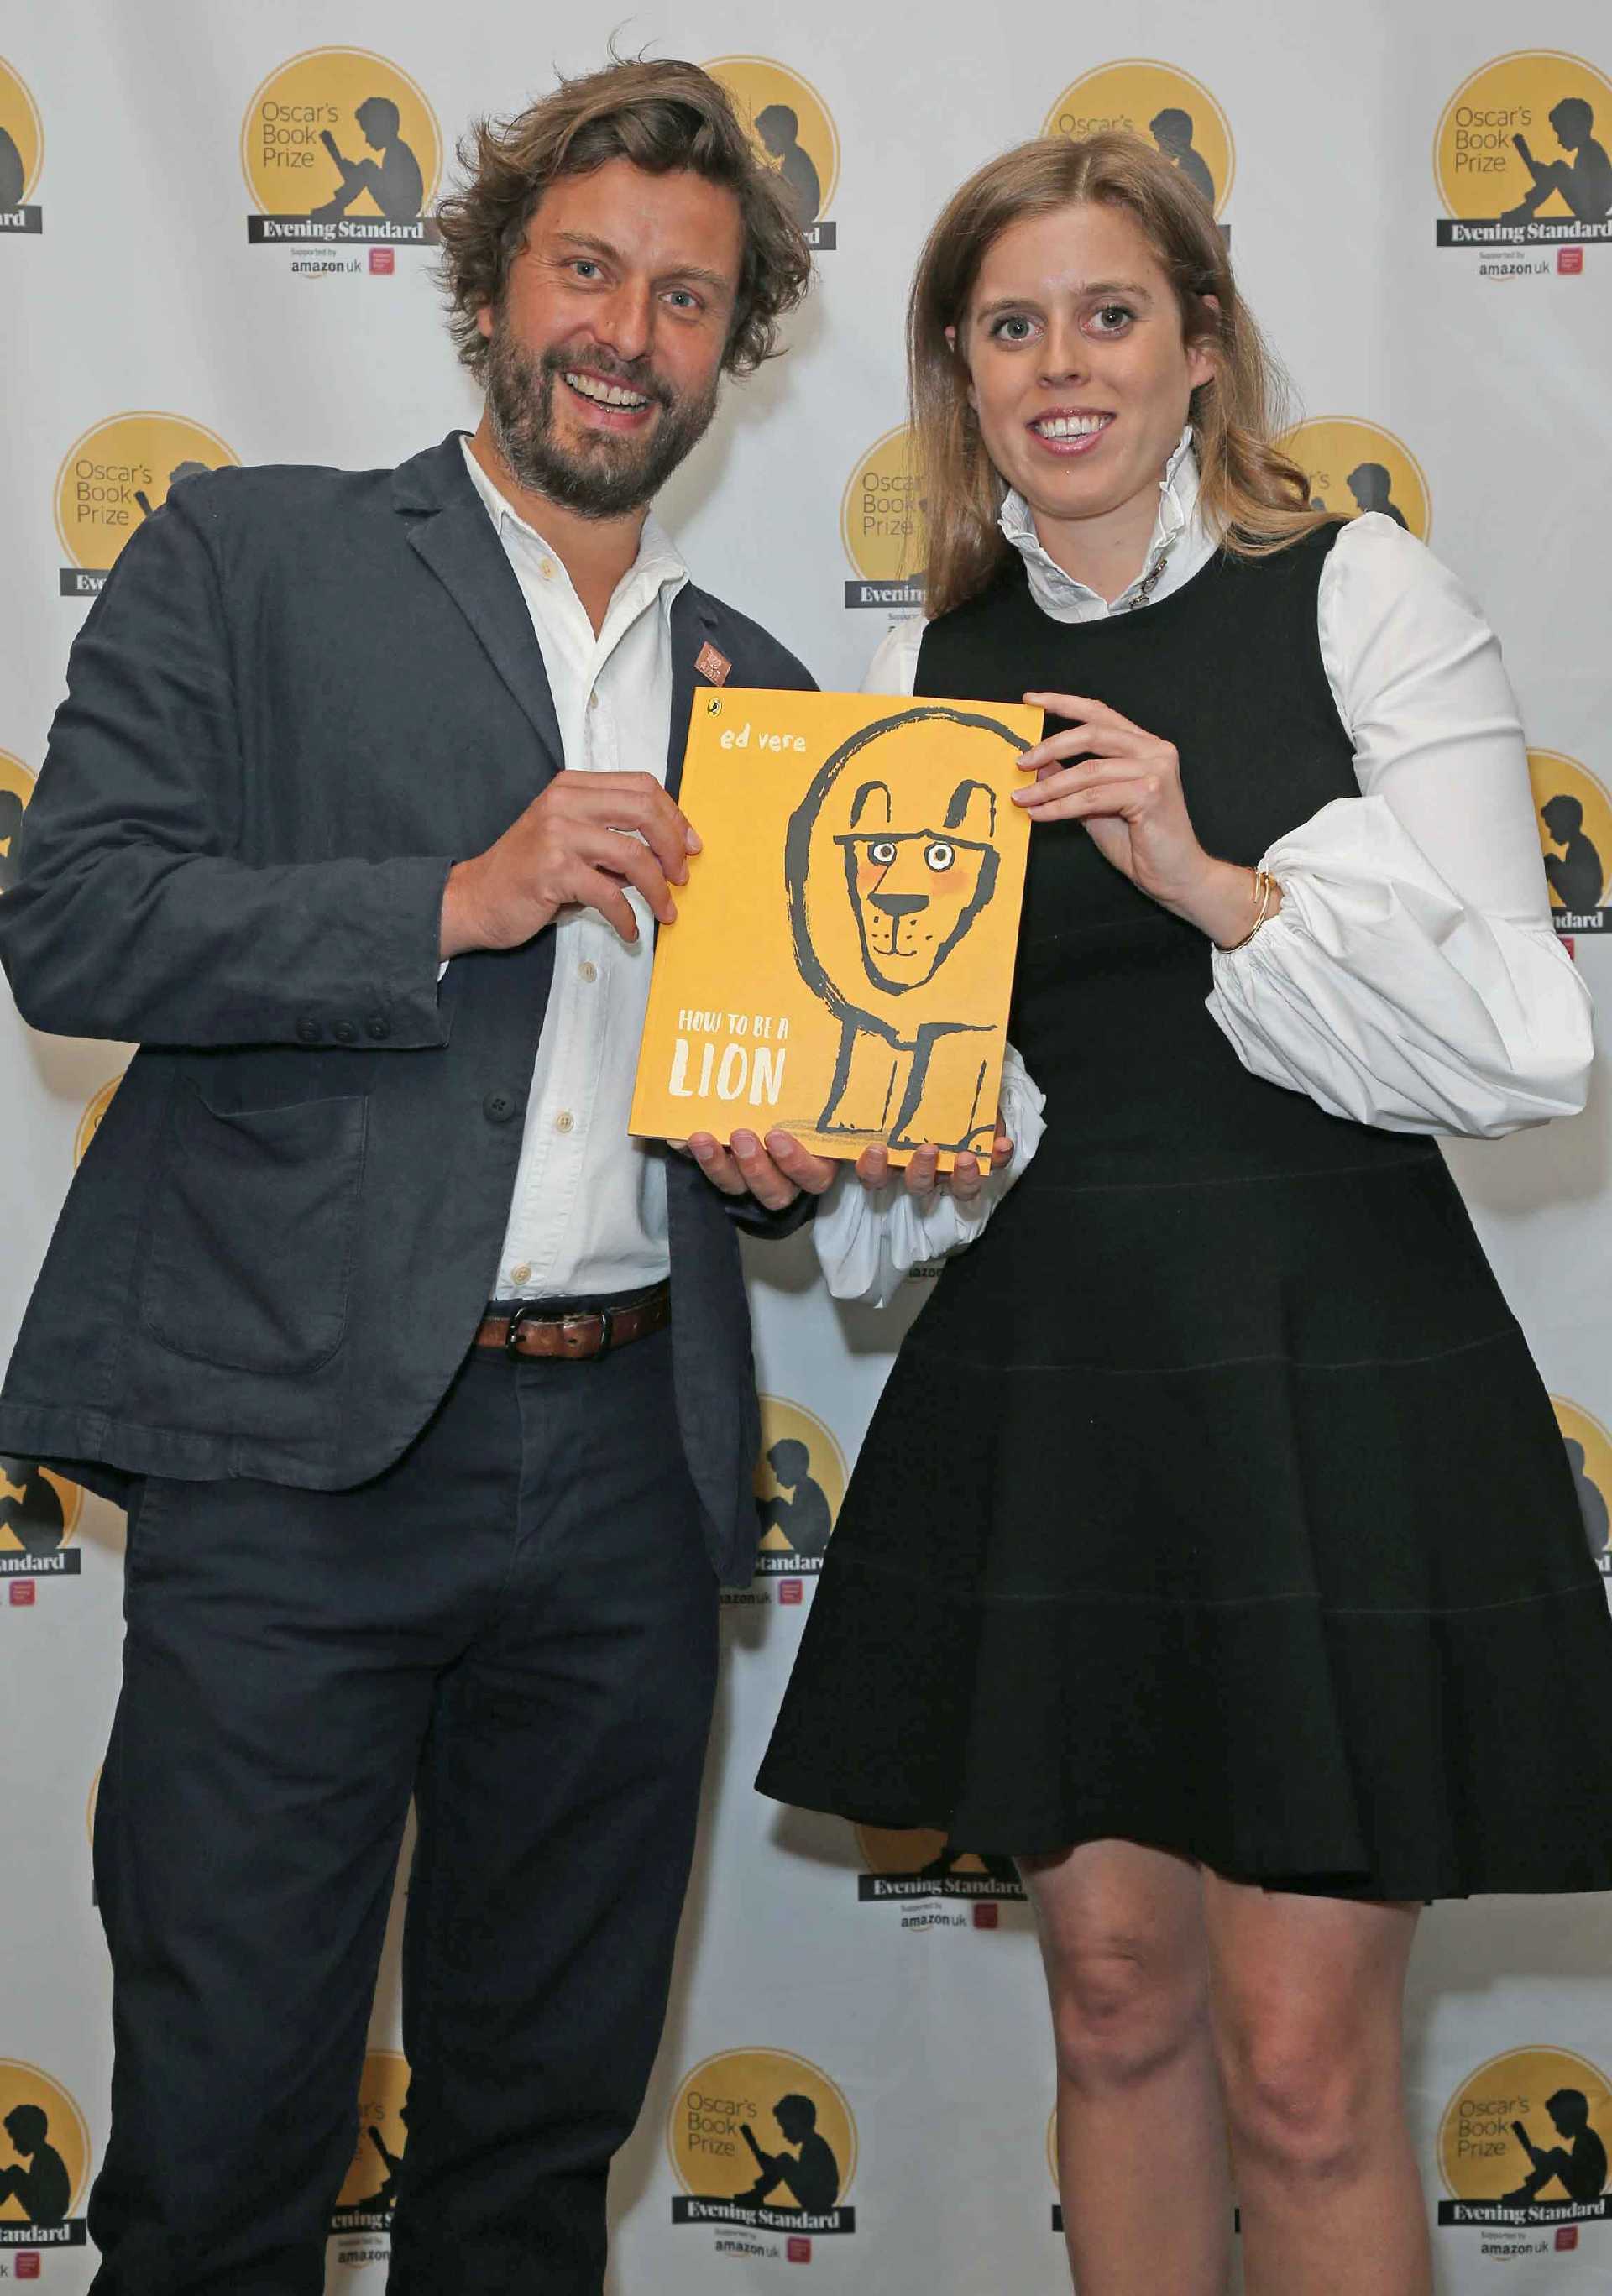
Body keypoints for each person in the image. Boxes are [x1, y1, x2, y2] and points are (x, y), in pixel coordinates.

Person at [0, 54, 883, 2296]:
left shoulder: (767, 695)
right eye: (587, 268)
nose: (627, 331)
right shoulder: (251, 553)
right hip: (292, 1470)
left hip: (624, 1479)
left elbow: (752, 1120)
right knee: (222, 2145)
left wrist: (783, 1158)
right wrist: (453, 897)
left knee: (532, 2159)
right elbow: (69, 919)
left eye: (685, 297)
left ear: (734, 348)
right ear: (490, 285)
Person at [759, 130, 1612, 2296]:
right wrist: (868, 1131)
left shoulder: (1361, 589)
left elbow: (1527, 1041)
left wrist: (1212, 876)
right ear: (960, 375)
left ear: (1202, 345)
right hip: (1060, 1374)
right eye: (1010, 326)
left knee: (1305, 2068)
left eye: (1109, 314)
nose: (1063, 366)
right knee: (1117, 2007)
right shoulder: (934, 665)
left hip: (1330, 1372)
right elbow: (940, 1085)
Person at [311, 93, 426, 222]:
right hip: (402, 207)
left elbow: (390, 189)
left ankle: (336, 207)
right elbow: (386, 183)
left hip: (402, 211)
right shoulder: (396, 150)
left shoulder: (396, 153)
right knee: (366, 169)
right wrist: (356, 176)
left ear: (381, 128)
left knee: (367, 167)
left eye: (368, 132)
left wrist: (358, 177)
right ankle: (337, 206)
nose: (366, 139)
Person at [1501, 97, 1612, 227]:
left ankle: (1525, 210)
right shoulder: (1588, 150)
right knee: (1558, 169)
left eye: (1561, 132)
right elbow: (1576, 182)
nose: (1559, 140)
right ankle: (1526, 209)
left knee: (1559, 168)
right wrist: (1548, 177)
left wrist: (1549, 177)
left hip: (1592, 212)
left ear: (1576, 128)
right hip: (1591, 208)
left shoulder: (1591, 151)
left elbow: (1581, 186)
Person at [1503, 2087, 1609, 2205]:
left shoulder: (1586, 2139)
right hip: (1586, 2188)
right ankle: (1527, 2191)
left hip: (1588, 2192)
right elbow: (1572, 2168)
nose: (1557, 2128)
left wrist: (1546, 2162)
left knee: (1558, 2154)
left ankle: (1527, 2192)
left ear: (1571, 2118)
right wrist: (1546, 2163)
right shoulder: (1586, 2137)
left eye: (1558, 2121)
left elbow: (1571, 2168)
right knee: (1557, 2155)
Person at [0, 2104, 71, 2226]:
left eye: (16, 2138)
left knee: (14, 2173)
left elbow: (45, 2196)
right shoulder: (44, 2156)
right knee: (13, 2174)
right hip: (47, 2208)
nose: (15, 2146)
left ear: (28, 2134)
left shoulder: (45, 2158)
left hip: (48, 2213)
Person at [756, 102, 822, 228]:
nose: (766, 146)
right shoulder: (794, 158)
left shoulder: (796, 162)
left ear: (782, 135)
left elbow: (795, 200)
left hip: (800, 217)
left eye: (769, 140)